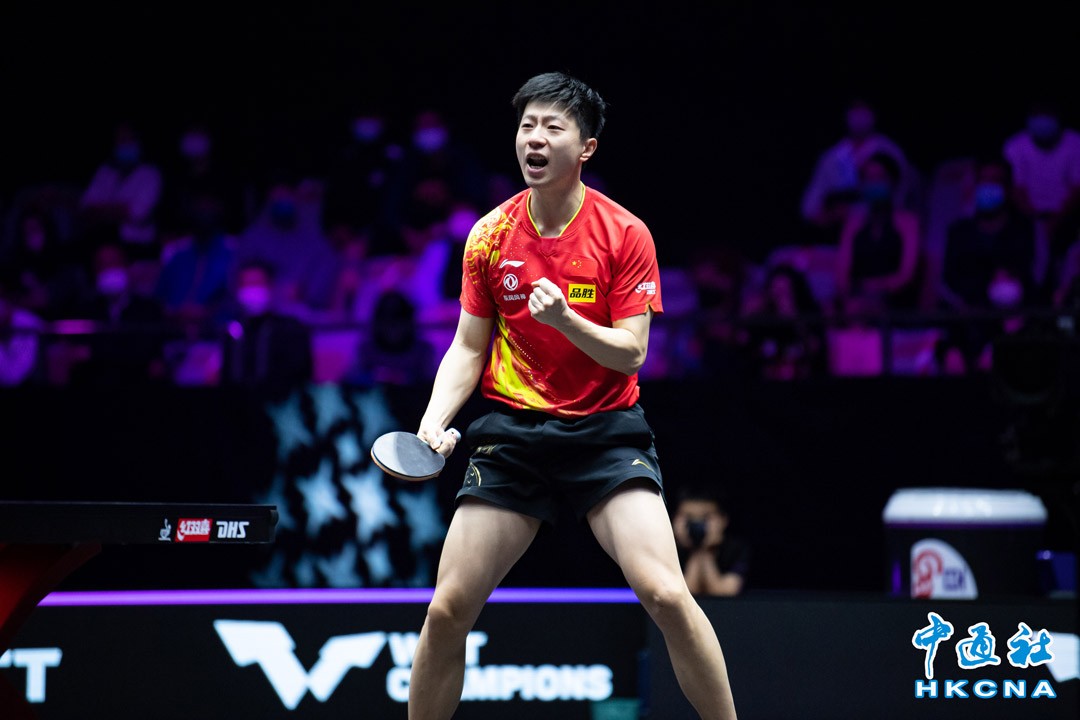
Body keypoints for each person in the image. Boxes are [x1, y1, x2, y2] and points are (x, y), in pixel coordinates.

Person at [405, 71, 738, 720]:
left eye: (552, 127)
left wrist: (564, 320)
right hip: (513, 434)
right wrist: (432, 422)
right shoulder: (489, 237)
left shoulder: (625, 234)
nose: (534, 138)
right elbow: (469, 347)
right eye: (526, 125)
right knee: (447, 609)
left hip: (605, 432)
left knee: (667, 594)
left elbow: (632, 352)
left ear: (585, 147)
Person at [800, 98, 918, 245]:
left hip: (882, 235)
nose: (859, 117)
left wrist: (856, 214)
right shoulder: (831, 157)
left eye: (863, 109)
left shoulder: (891, 152)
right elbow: (812, 203)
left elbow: (901, 198)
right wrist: (828, 216)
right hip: (834, 236)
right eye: (855, 109)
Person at [834, 150, 923, 318]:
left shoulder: (908, 223)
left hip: (894, 303)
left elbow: (906, 275)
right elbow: (841, 273)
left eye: (879, 178)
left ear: (893, 182)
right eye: (868, 178)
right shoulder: (853, 224)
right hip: (856, 301)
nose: (873, 183)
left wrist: (876, 288)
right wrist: (852, 296)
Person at [1001, 100, 1080, 287]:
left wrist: (1056, 222)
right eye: (1038, 114)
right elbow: (1015, 188)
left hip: (1068, 217)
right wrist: (1037, 225)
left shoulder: (1075, 142)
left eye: (1048, 114)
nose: (1043, 121)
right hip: (1028, 219)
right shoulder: (1015, 145)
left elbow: (1077, 188)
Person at [671, 486, 749, 597]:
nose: (697, 524)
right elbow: (685, 593)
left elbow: (724, 592)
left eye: (705, 517)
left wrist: (705, 550)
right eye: (689, 517)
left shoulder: (736, 548)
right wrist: (696, 550)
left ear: (723, 519)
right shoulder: (667, 549)